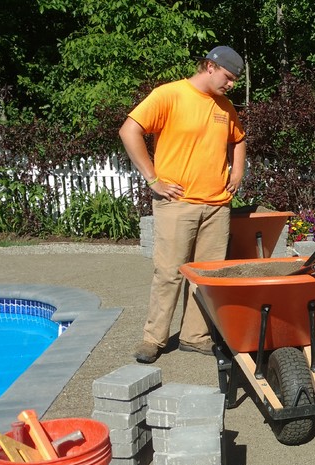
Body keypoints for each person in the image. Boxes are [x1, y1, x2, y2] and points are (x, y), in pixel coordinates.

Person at [120, 46, 246, 364]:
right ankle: (153, 339)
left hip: (217, 206)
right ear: (208, 66)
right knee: (168, 273)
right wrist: (152, 179)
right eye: (228, 78)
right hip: (177, 203)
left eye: (234, 80)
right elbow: (129, 130)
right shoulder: (170, 95)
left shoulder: (225, 106)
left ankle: (195, 336)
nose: (230, 85)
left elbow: (239, 139)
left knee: (206, 277)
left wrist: (238, 172)